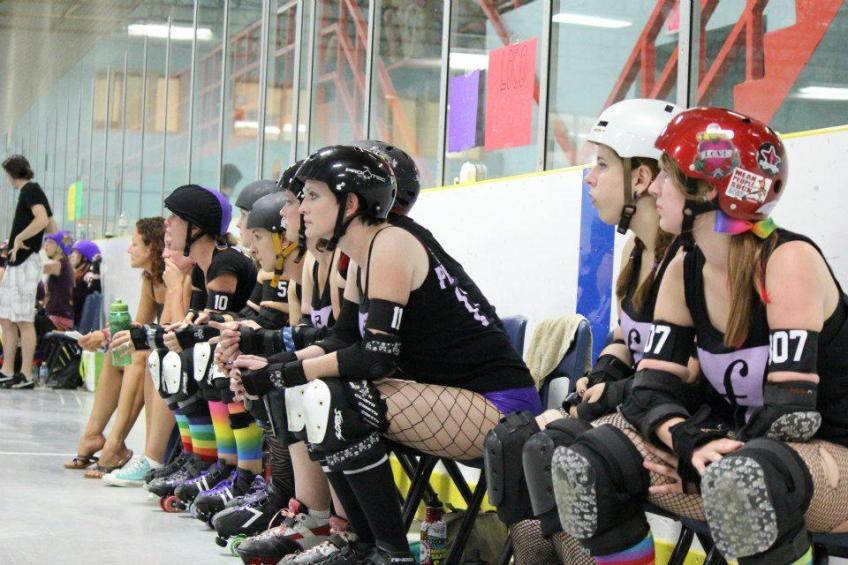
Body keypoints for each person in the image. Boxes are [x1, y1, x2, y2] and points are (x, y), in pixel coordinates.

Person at [551, 107, 848, 565]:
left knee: (742, 480)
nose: (653, 188)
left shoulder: (788, 260)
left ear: (709, 190)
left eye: (666, 176)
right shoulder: (683, 268)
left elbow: (792, 417)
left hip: (830, 453)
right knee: (591, 459)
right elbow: (648, 393)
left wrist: (700, 465)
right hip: (750, 453)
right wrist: (689, 443)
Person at [234, 145, 538, 563]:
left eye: (313, 195)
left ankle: (390, 553)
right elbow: (342, 340)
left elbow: (376, 358)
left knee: (335, 398)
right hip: (446, 398)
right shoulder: (362, 253)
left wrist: (284, 374)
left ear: (350, 204)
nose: (301, 206)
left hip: (499, 406)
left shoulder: (392, 243)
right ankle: (359, 543)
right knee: (313, 393)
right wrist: (273, 366)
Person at [482, 98, 682, 564]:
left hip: (672, 412)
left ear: (641, 177)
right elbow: (627, 336)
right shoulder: (636, 250)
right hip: (640, 401)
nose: (590, 178)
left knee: (555, 452)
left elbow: (688, 370)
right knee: (513, 446)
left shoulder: (686, 258)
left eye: (602, 164)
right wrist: (605, 373)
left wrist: (611, 395)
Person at [64, 218, 167, 477]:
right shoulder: (150, 279)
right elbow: (139, 324)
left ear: (152, 247)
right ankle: (92, 436)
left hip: (171, 348)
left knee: (138, 356)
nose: (129, 249)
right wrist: (104, 335)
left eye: (135, 244)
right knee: (117, 352)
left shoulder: (174, 277)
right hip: (160, 343)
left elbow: (167, 328)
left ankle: (115, 445)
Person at [0, 155, 55, 388]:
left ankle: (26, 374)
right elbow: (51, 225)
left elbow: (43, 221)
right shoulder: (31, 192)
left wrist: (20, 237)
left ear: (12, 174)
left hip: (25, 262)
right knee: (6, 317)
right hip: (17, 263)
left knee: (23, 319)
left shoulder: (31, 190)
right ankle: (7, 369)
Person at [42, 231, 76, 333]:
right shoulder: (64, 263)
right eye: (45, 242)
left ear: (60, 247)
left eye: (50, 242)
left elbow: (41, 268)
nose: (46, 245)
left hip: (59, 321)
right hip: (56, 317)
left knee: (24, 323)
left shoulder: (61, 264)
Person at [69, 239, 102, 328]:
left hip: (74, 324)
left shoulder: (87, 276)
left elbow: (95, 287)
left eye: (76, 252)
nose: (71, 255)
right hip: (72, 321)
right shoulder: (76, 275)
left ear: (85, 257)